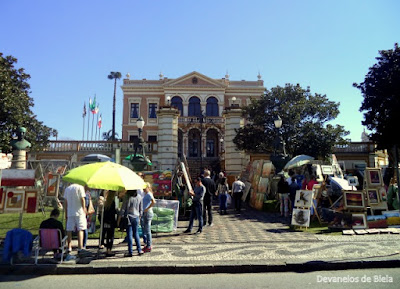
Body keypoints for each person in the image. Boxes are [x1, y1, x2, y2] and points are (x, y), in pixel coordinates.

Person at [64, 183, 87, 255]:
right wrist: (84, 209)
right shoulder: (80, 187)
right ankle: (80, 247)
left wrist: (66, 212)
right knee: (80, 229)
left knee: (69, 229)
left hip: (70, 211)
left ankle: (69, 246)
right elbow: (82, 199)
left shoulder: (67, 189)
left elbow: (65, 202)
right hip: (79, 211)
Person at [118, 190, 143, 257]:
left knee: (129, 234)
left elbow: (123, 208)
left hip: (128, 216)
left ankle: (130, 251)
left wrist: (119, 218)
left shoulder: (127, 197)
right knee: (136, 233)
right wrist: (140, 217)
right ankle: (139, 249)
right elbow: (141, 209)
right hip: (136, 216)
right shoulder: (139, 197)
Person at [141, 182, 155, 253]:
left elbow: (153, 202)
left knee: (147, 229)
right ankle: (147, 244)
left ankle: (149, 245)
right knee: (145, 229)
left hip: (148, 212)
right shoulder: (146, 194)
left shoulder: (149, 194)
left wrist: (147, 208)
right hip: (145, 212)